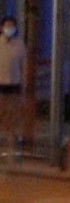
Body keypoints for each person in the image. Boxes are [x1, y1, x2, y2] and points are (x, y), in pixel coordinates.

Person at [0, 15, 30, 154]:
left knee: (11, 114)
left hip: (14, 84)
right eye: (6, 25)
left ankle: (10, 141)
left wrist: (24, 87)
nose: (9, 28)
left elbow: (23, 66)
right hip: (1, 83)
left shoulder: (19, 45)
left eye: (11, 26)